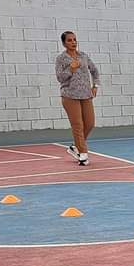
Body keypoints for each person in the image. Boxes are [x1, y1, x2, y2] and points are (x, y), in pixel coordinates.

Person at [54, 31, 99, 166]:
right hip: (70, 96)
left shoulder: (83, 56)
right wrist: (71, 69)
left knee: (90, 123)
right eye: (69, 40)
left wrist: (95, 85)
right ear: (64, 43)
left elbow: (94, 71)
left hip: (86, 95)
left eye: (74, 39)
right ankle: (83, 154)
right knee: (77, 125)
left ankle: (75, 147)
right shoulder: (61, 59)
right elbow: (60, 78)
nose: (73, 42)